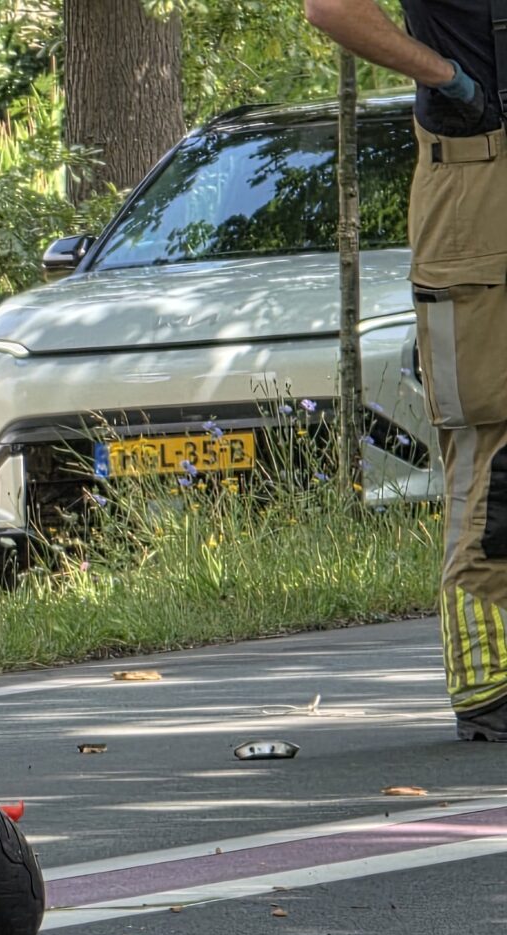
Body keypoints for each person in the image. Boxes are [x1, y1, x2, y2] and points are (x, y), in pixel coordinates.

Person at [304, 0, 507, 736]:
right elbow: (330, 7)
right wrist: (451, 81)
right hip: (478, 188)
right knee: (492, 439)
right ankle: (489, 684)